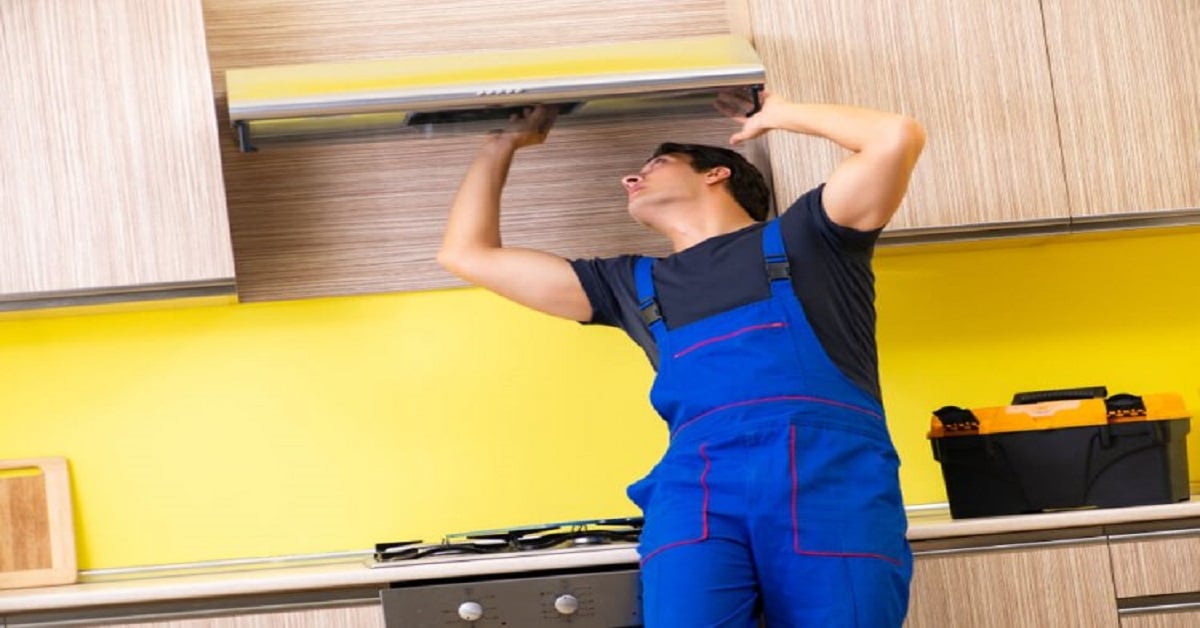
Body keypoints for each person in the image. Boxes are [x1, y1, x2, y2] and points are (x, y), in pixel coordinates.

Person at [438, 88, 925, 627]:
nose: (631, 178)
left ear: (716, 173)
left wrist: (779, 113)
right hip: (697, 493)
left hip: (830, 484)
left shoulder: (811, 237)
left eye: (658, 164)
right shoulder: (628, 284)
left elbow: (894, 135)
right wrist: (502, 143)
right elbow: (466, 253)